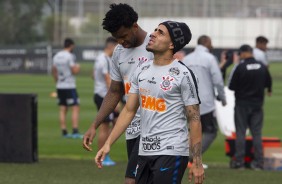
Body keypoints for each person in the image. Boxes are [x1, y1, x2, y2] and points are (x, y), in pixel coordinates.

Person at [95, 21, 205, 184]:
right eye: (155, 30)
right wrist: (108, 144)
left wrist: (197, 162)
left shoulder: (183, 74)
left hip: (171, 151)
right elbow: (128, 111)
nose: (153, 34)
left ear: (172, 44)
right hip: (144, 151)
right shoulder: (142, 70)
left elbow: (194, 120)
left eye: (160, 32)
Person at [82, 3, 154, 184]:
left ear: (135, 26)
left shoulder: (155, 46)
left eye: (123, 36)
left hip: (154, 125)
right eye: (116, 38)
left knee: (131, 180)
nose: (121, 41)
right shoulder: (119, 53)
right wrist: (94, 125)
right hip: (132, 127)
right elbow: (114, 91)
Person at [183, 35, 226, 168]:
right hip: (205, 102)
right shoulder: (210, 58)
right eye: (211, 42)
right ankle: (191, 158)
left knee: (192, 130)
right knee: (211, 132)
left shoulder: (187, 59)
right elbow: (218, 80)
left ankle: (187, 159)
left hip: (188, 100)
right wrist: (223, 98)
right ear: (206, 42)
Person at [228, 44, 272, 170]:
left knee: (241, 133)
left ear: (243, 53)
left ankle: (239, 162)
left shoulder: (240, 67)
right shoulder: (262, 66)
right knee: (257, 134)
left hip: (242, 104)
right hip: (257, 105)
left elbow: (231, 87)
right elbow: (268, 83)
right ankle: (259, 163)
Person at [93, 37, 118, 166]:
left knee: (116, 122)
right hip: (104, 97)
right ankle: (102, 156)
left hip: (100, 94)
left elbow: (93, 75)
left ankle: (104, 153)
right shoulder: (105, 59)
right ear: (111, 46)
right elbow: (108, 80)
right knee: (104, 127)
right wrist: (115, 101)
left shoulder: (100, 58)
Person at [52, 38, 82, 138]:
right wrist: (78, 67)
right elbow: (74, 71)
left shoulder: (56, 56)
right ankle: (75, 131)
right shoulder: (70, 56)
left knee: (63, 108)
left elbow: (54, 71)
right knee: (75, 107)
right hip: (69, 85)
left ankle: (64, 131)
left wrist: (58, 81)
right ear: (71, 45)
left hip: (60, 85)